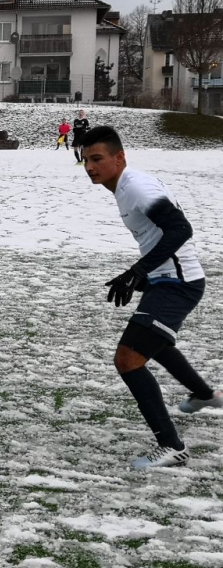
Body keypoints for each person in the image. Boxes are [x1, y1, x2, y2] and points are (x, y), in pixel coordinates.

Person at [81, 125, 220, 470]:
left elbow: (181, 229)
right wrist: (143, 276)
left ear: (119, 157)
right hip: (164, 280)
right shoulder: (123, 187)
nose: (90, 167)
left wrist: (138, 271)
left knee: (128, 359)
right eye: (86, 160)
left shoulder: (137, 187)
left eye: (97, 159)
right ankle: (205, 395)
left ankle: (172, 447)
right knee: (155, 342)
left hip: (179, 284)